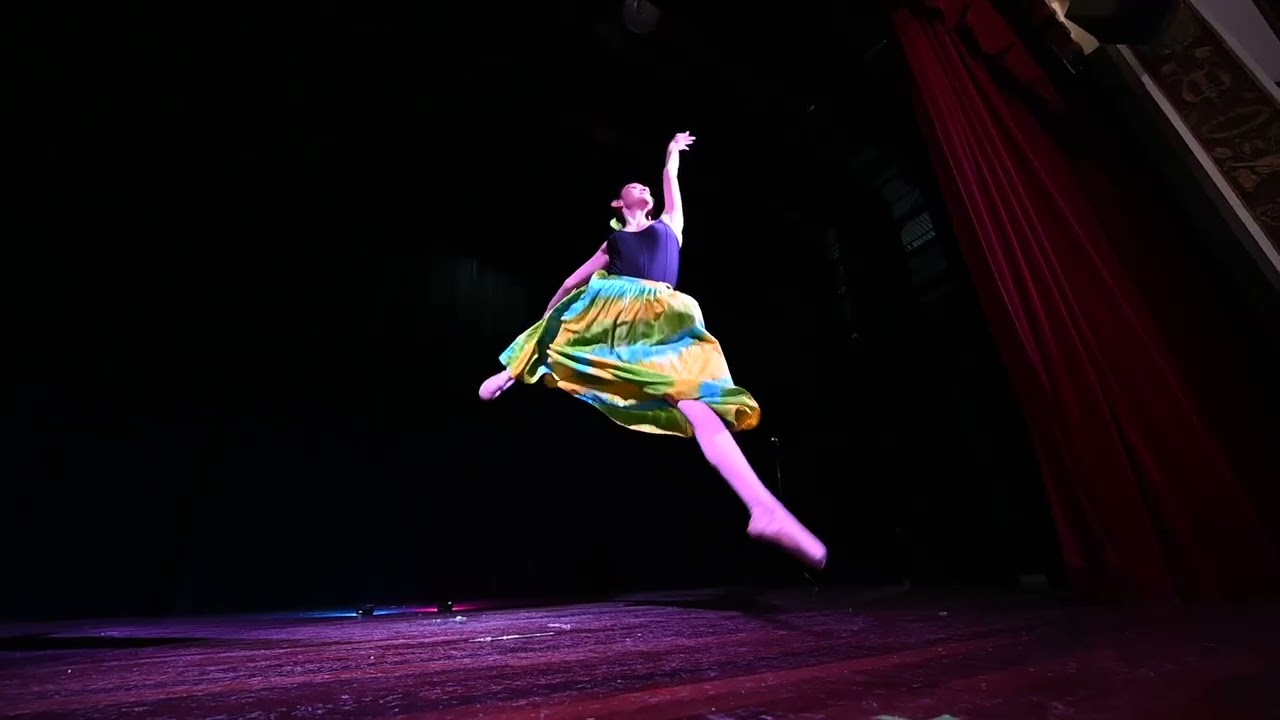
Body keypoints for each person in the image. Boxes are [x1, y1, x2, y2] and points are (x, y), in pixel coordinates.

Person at [478, 132, 827, 570]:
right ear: (616, 204)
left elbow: (670, 179)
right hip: (616, 317)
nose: (642, 187)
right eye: (633, 186)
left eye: (646, 186)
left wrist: (671, 153)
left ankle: (763, 508)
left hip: (666, 320)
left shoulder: (670, 226)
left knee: (698, 404)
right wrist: (538, 329)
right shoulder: (614, 244)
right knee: (566, 318)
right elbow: (571, 284)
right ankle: (515, 371)